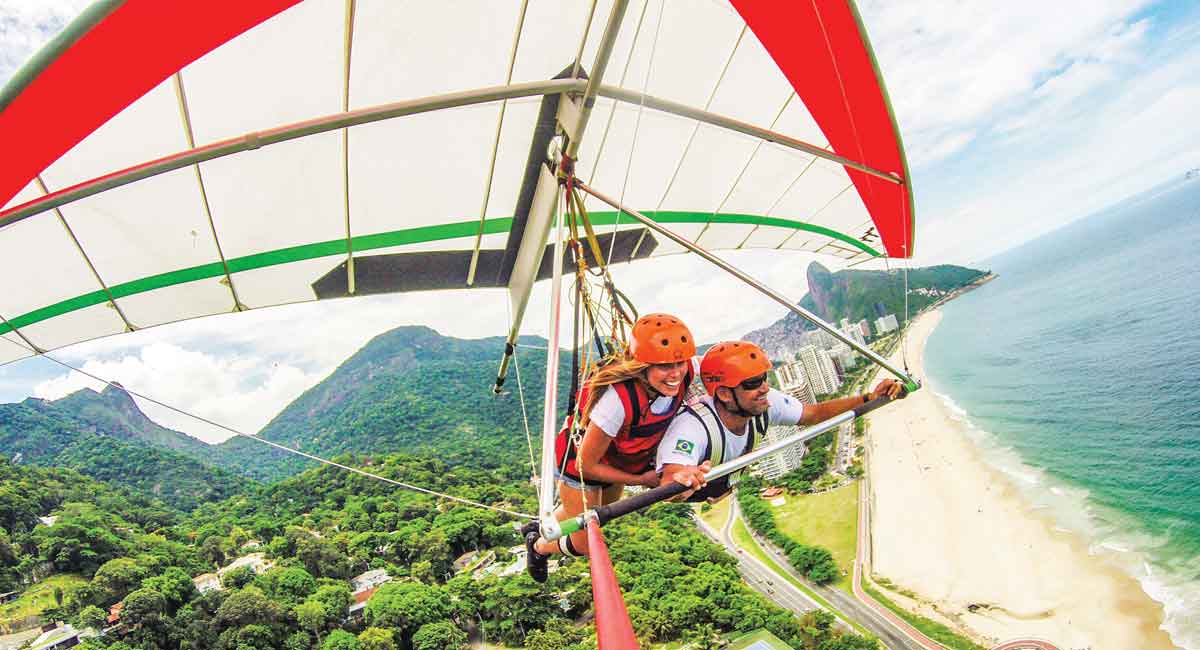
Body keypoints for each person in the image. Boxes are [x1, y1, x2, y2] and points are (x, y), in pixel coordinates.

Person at [523, 313, 707, 582]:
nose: (676, 373)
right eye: (664, 366)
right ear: (642, 365)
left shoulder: (685, 371)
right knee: (585, 541)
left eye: (680, 362)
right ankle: (538, 545)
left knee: (598, 514)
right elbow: (587, 465)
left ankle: (539, 527)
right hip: (580, 465)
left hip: (617, 460)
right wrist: (639, 480)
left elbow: (717, 365)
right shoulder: (617, 401)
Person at [657, 340, 904, 502]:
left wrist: (869, 397)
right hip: (695, 489)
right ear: (723, 393)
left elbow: (813, 414)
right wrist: (681, 485)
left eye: (763, 378)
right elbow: (671, 478)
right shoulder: (692, 426)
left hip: (723, 483)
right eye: (752, 384)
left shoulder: (764, 403)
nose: (764, 388)